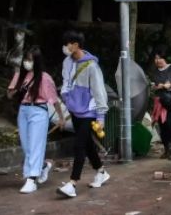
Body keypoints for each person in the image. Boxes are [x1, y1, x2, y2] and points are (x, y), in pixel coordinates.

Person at [58, 30, 110, 198]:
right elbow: (66, 82)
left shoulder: (91, 66)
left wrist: (101, 116)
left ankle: (72, 183)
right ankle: (101, 171)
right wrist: (66, 98)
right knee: (87, 144)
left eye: (68, 44)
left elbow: (99, 91)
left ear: (76, 45)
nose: (65, 47)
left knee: (79, 145)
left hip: (89, 111)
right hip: (75, 110)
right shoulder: (67, 62)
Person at [7, 45, 65, 194]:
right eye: (26, 59)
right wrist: (15, 89)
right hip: (24, 110)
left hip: (39, 111)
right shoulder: (20, 75)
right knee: (27, 147)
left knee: (35, 145)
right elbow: (9, 95)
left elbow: (54, 99)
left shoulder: (44, 78)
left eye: (31, 60)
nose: (27, 62)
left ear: (37, 61)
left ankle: (31, 179)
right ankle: (43, 166)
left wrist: (61, 117)